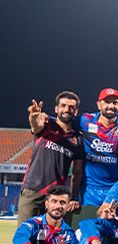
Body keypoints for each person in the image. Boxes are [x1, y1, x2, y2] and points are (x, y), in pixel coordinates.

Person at [19, 92, 84, 224]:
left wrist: (73, 197)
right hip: (33, 191)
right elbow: (35, 125)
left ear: (76, 111)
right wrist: (33, 116)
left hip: (56, 195)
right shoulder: (46, 125)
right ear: (56, 108)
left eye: (71, 107)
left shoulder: (77, 138)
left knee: (52, 234)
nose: (66, 110)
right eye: (63, 106)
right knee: (26, 232)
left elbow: (77, 171)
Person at [80, 88, 118, 207]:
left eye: (115, 102)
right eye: (107, 102)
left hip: (114, 189)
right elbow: (63, 124)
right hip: (88, 189)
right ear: (99, 105)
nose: (111, 106)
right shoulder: (86, 120)